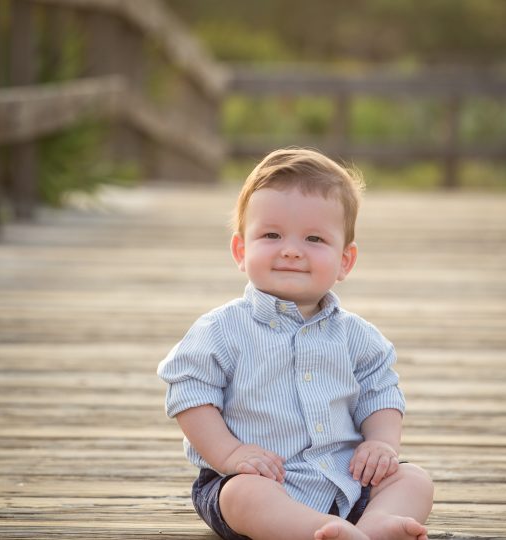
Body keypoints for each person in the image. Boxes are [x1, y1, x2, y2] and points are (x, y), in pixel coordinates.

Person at [157, 148, 434, 540]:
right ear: (241, 251)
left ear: (345, 261)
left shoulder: (358, 337)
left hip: (346, 484)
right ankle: (319, 531)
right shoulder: (221, 330)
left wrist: (381, 443)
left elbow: (381, 393)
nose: (290, 249)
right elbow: (189, 394)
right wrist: (231, 455)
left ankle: (369, 527)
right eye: (271, 235)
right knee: (243, 497)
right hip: (257, 478)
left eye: (314, 238)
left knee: (414, 479)